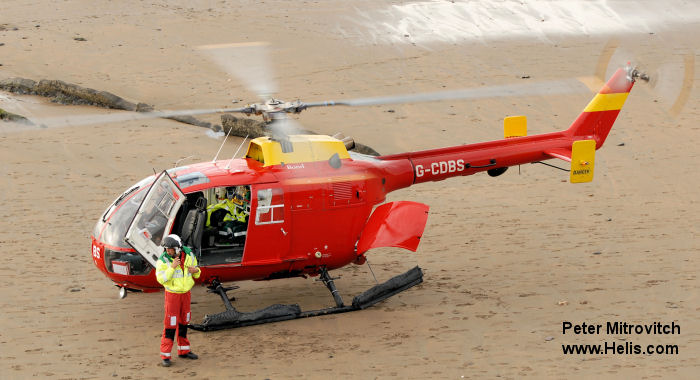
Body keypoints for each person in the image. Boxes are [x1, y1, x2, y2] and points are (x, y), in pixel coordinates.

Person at [156, 234, 201, 367]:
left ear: (178, 248)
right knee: (170, 324)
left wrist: (196, 270)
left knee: (184, 321)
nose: (168, 251)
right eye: (166, 249)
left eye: (170, 249)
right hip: (172, 295)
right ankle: (165, 355)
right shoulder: (163, 261)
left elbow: (197, 273)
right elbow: (161, 279)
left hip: (186, 294)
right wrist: (172, 268)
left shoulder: (190, 255)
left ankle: (184, 351)